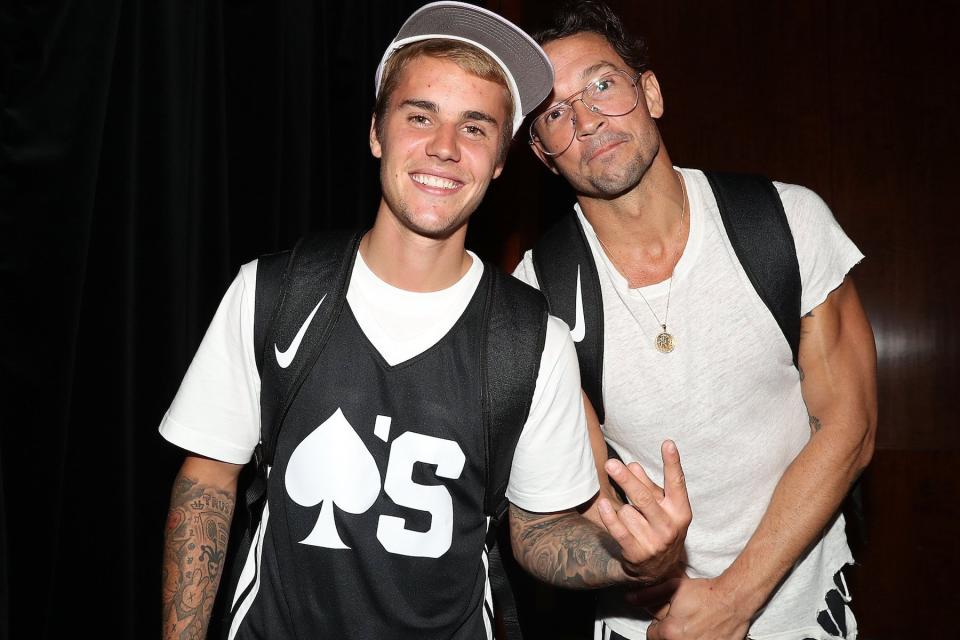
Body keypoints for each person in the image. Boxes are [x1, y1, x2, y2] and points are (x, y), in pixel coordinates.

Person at [159, 3, 691, 639]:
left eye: (475, 128)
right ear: (377, 132)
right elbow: (208, 484)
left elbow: (540, 532)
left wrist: (629, 558)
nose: (443, 149)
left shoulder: (532, 340)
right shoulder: (273, 294)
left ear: (499, 160)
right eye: (420, 117)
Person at [512, 2, 878, 639]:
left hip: (802, 610)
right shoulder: (536, 292)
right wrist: (653, 579)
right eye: (556, 113)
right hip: (649, 622)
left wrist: (732, 601)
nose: (588, 119)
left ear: (649, 92)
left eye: (601, 84)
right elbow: (584, 498)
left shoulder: (787, 224)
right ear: (544, 154)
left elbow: (850, 426)